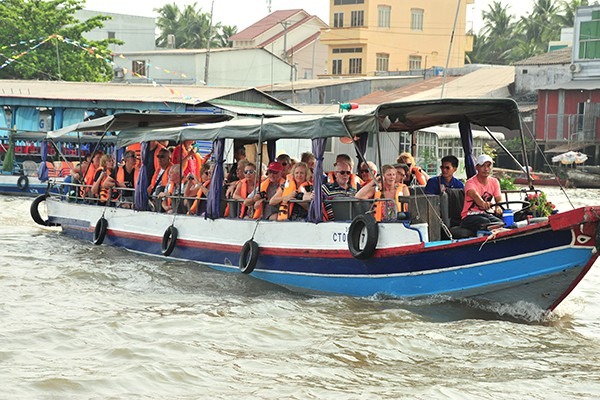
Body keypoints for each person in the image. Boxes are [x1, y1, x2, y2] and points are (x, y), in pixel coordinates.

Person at [460, 154, 503, 232]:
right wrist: (483, 203)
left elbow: (498, 199)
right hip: (469, 216)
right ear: (477, 167)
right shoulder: (470, 183)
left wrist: (498, 206)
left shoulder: (494, 182)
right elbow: (475, 195)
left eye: (488, 166)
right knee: (486, 223)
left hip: (486, 214)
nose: (486, 169)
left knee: (500, 223)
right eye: (483, 166)